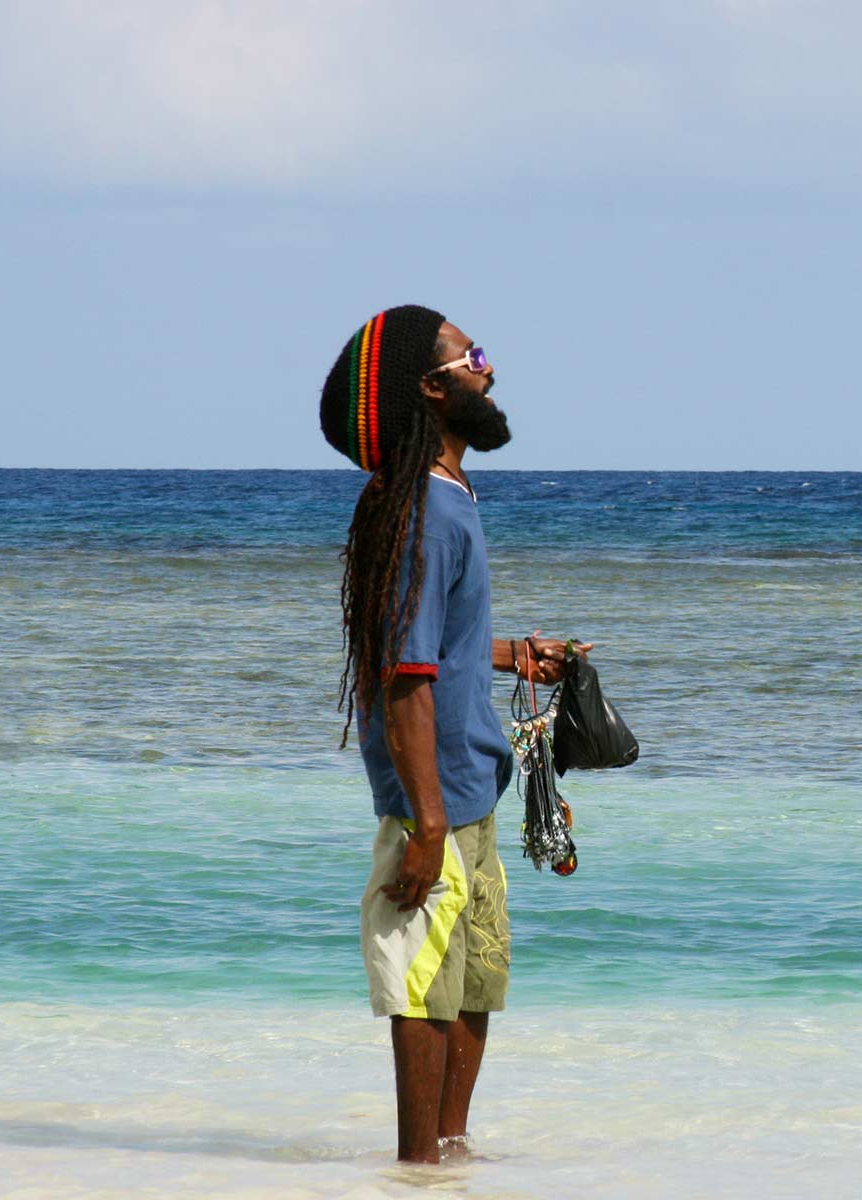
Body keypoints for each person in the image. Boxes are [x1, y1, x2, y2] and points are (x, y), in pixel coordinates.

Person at [317, 305, 588, 1163]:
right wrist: (425, 824)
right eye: (474, 355)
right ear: (433, 388)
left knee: (474, 982)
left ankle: (451, 1160)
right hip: (431, 803)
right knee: (424, 992)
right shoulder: (422, 511)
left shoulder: (447, 494)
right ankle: (416, 1169)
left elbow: (435, 643)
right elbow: (403, 676)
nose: (490, 369)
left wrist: (513, 654)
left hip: (470, 789)